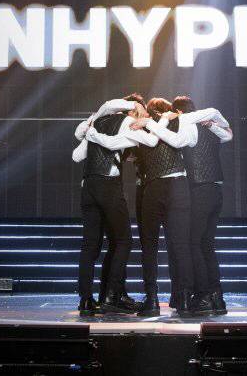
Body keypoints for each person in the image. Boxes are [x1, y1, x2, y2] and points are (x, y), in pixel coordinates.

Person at [132, 98, 227, 317]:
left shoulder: (143, 125)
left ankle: (152, 299)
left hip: (156, 186)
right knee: (184, 246)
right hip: (182, 187)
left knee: (150, 246)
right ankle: (186, 298)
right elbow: (222, 128)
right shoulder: (185, 123)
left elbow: (147, 149)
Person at [72, 97, 157, 316]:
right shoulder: (128, 123)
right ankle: (111, 296)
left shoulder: (98, 121)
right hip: (108, 186)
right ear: (135, 111)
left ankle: (86, 300)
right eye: (143, 112)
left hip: (88, 186)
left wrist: (91, 134)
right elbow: (144, 142)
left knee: (90, 245)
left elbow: (76, 156)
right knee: (123, 240)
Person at [173, 95, 233, 316]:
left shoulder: (188, 126)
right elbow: (228, 134)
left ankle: (203, 296)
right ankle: (217, 298)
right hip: (216, 191)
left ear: (179, 112)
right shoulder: (211, 129)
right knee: (207, 245)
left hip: (200, 191)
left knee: (194, 243)